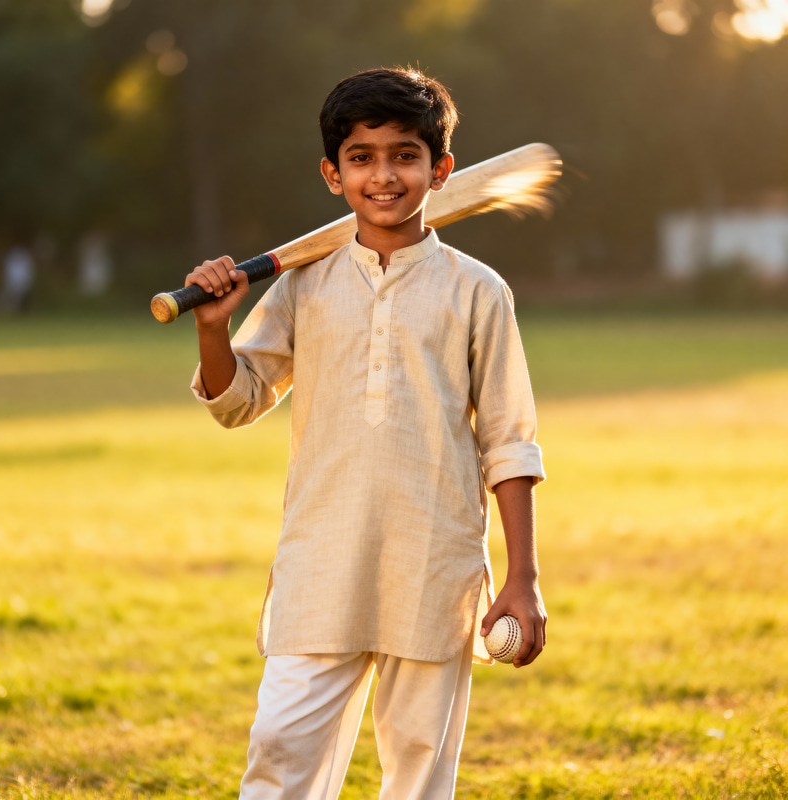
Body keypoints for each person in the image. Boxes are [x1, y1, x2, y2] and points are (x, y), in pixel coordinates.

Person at [185, 67, 547, 800]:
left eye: (405, 156)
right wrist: (214, 330)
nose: (384, 175)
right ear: (332, 173)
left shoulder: (478, 291)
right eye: (362, 157)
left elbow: (510, 439)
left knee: (419, 773)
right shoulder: (302, 286)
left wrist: (522, 578)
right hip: (322, 562)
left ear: (441, 170)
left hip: (434, 566)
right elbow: (238, 402)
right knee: (281, 753)